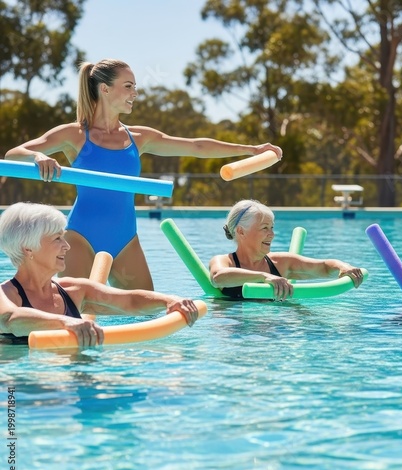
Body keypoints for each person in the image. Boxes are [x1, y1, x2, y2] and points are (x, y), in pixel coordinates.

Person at [4, 59, 282, 290]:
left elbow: (196, 146)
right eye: (128, 86)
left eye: (135, 86)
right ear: (104, 89)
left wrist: (251, 148)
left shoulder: (139, 137)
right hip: (82, 237)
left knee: (146, 310)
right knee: (75, 310)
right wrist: (38, 156)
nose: (134, 93)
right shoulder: (74, 134)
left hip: (126, 238)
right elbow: (14, 153)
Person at [0, 202, 200, 347]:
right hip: (21, 390)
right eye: (57, 239)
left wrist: (170, 300)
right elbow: (11, 319)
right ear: (28, 249)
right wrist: (67, 322)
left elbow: (129, 301)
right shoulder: (5, 295)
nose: (67, 246)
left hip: (74, 386)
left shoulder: (74, 290)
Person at [209, 199, 364, 300]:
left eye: (272, 228)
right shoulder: (223, 261)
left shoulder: (281, 262)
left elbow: (322, 267)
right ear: (241, 231)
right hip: (235, 334)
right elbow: (218, 278)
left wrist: (342, 267)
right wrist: (265, 276)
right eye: (264, 228)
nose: (272, 234)